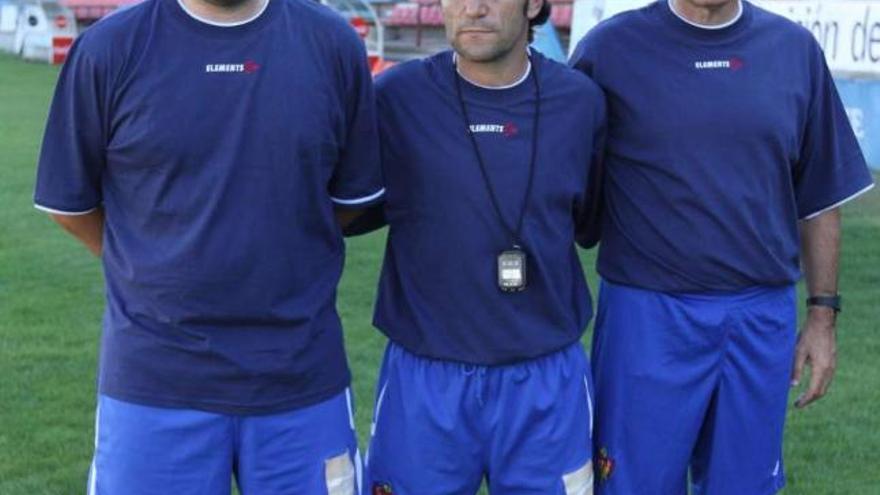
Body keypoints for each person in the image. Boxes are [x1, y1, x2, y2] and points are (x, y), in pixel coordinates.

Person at [33, 0, 383, 492]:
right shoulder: (109, 47)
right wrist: (150, 267)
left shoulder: (331, 43)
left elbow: (347, 200)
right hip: (155, 379)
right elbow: (69, 205)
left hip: (301, 375)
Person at [569, 0, 875, 493]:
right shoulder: (610, 49)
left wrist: (822, 316)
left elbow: (819, 197)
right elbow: (565, 181)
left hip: (759, 317)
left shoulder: (792, 50)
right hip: (647, 314)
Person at [360, 0, 605, 493]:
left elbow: (588, 221)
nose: (472, 8)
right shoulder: (395, 97)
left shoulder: (580, 102)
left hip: (546, 379)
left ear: (534, 4)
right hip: (425, 379)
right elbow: (348, 206)